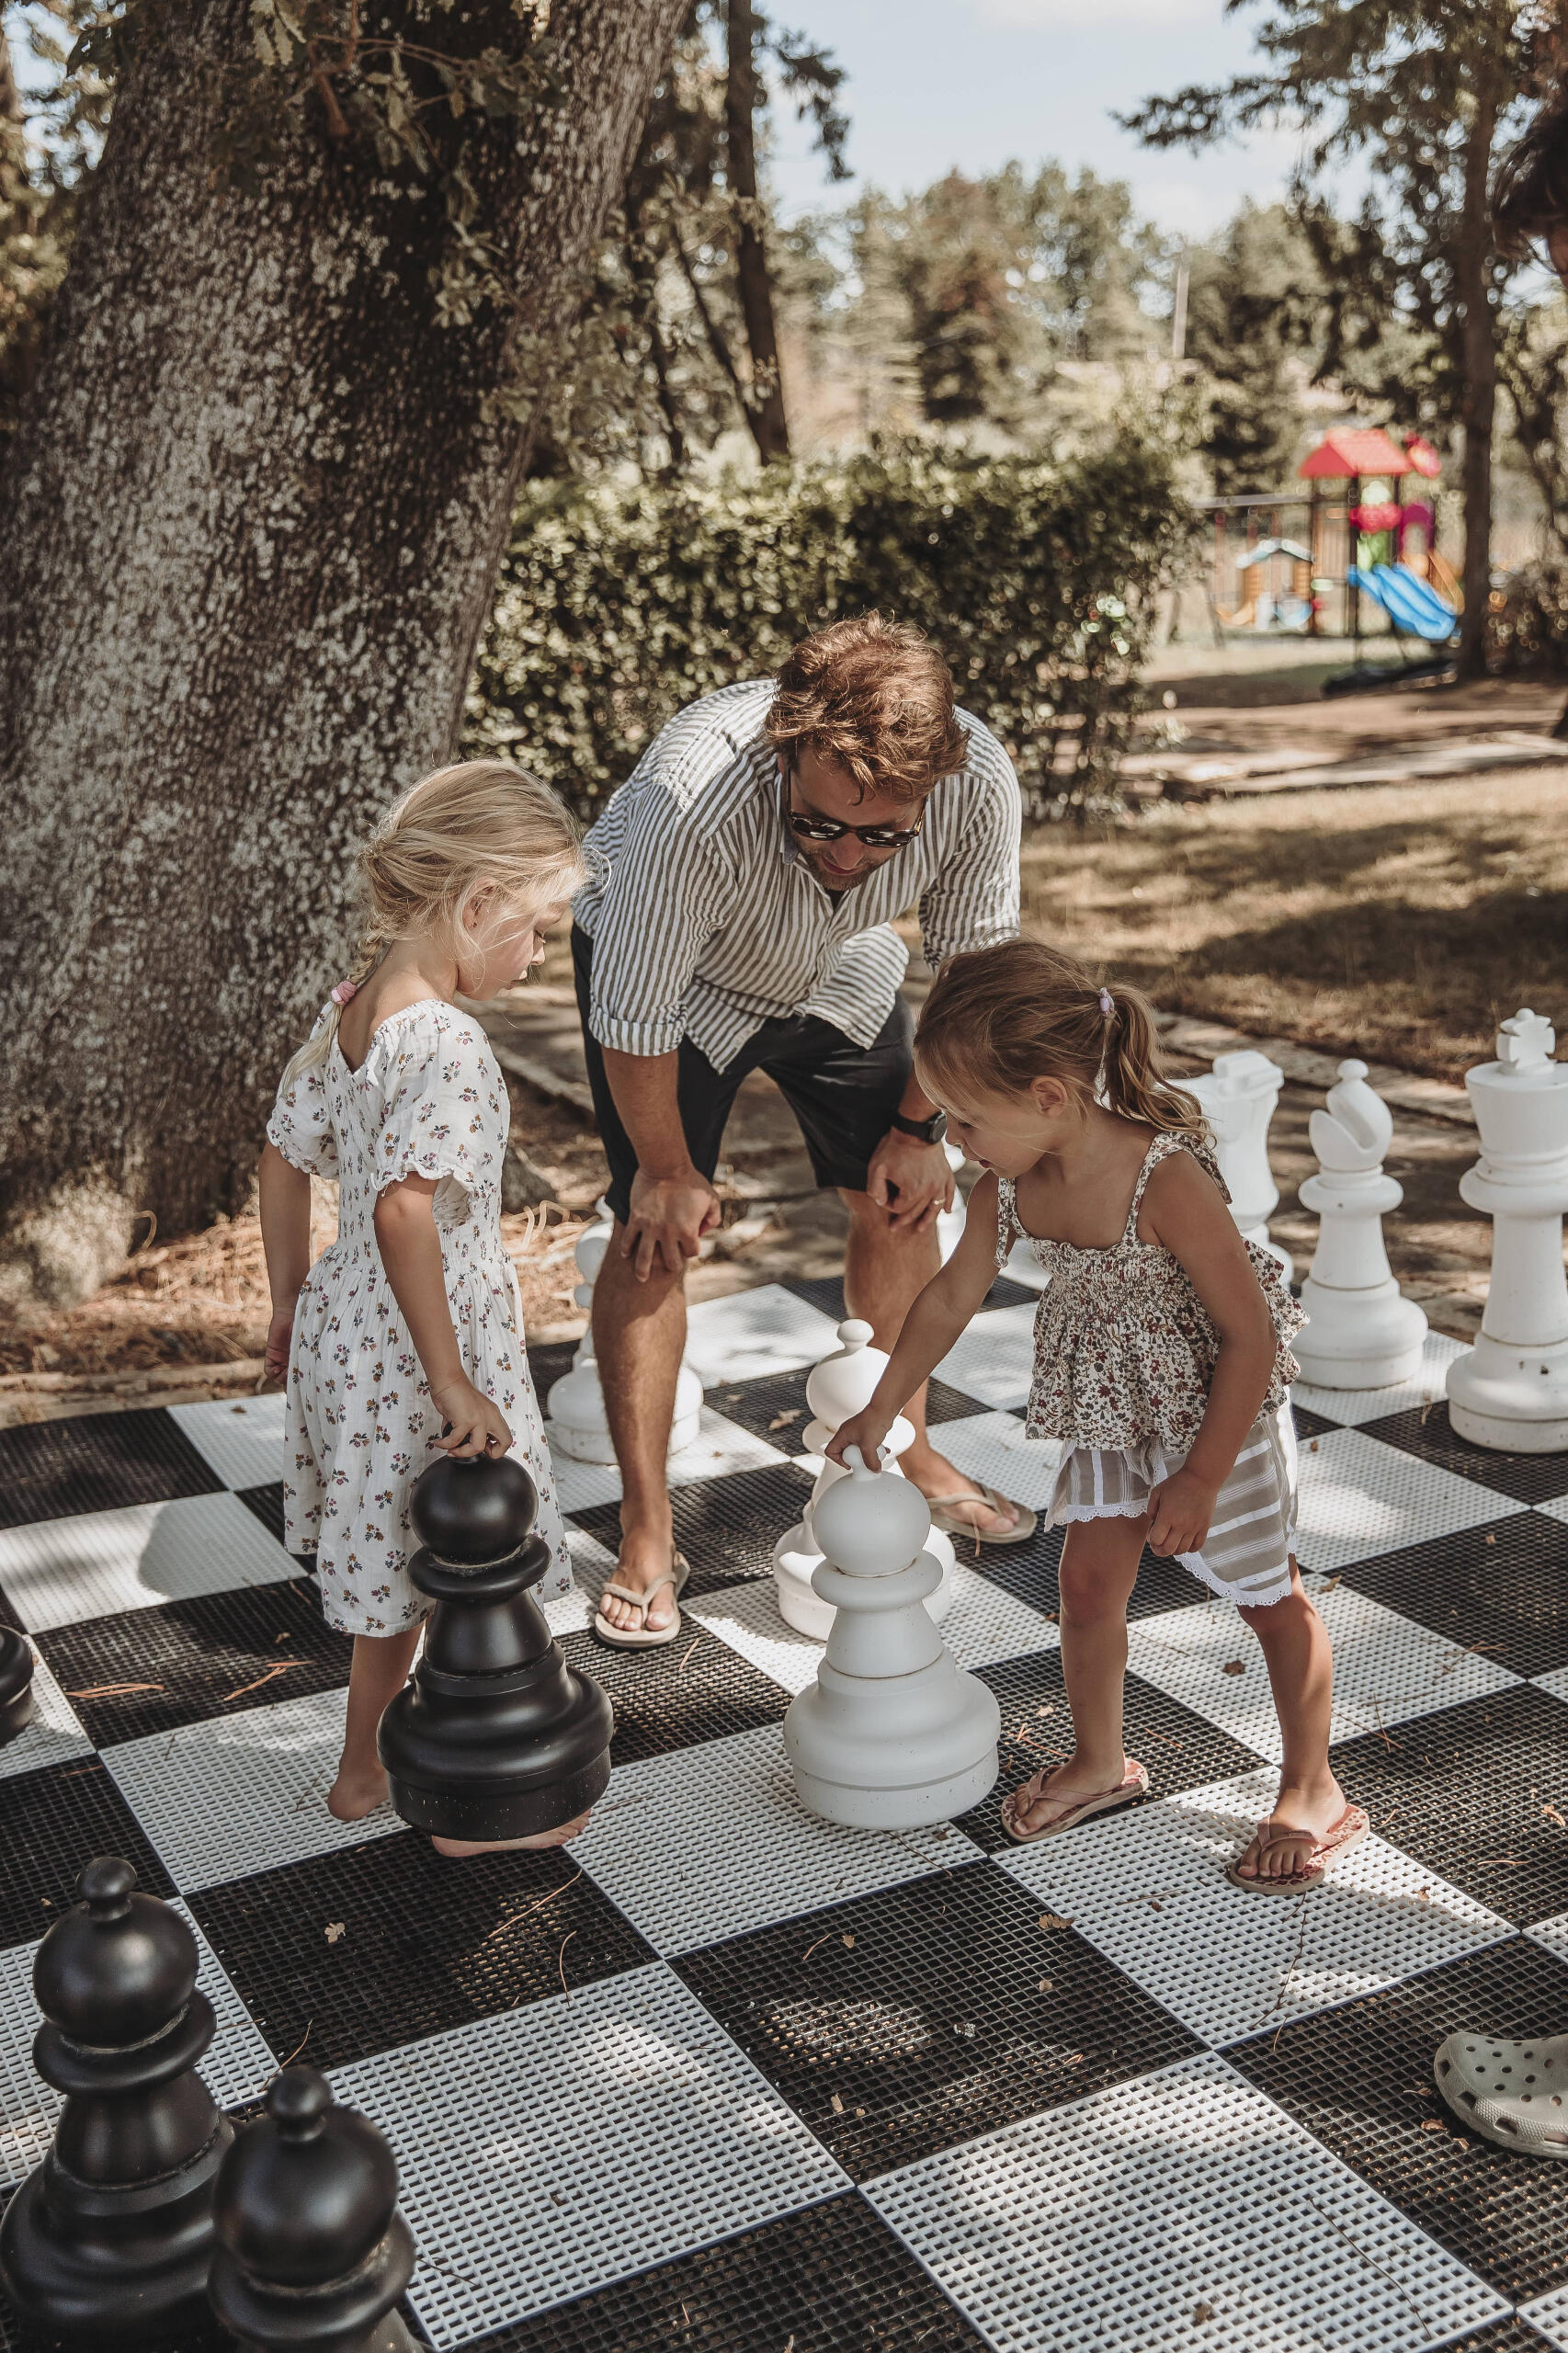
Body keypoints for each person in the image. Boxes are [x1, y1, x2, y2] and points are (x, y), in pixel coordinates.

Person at [829, 938, 1364, 1890]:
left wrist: (1199, 1477)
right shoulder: (1009, 1181)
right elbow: (949, 1296)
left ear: (1046, 1096)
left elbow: (1247, 1335)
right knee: (1083, 1587)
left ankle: (1312, 1789)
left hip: (1219, 1419)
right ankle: (1099, 1760)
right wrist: (881, 1406)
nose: (955, 1141)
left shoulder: (1163, 1178)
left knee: (1268, 1599)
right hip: (1112, 1416)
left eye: (967, 1119)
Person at [572, 614, 1034, 1652]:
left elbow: (973, 982)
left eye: (883, 837)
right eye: (818, 825)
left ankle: (908, 1449)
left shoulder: (976, 780)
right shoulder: (690, 799)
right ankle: (646, 1530)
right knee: (652, 1230)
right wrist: (665, 1169)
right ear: (787, 750)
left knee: (903, 1193)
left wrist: (920, 1127)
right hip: (676, 987)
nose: (846, 854)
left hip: (841, 967)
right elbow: (633, 1012)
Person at [259, 759, 586, 1852]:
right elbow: (405, 1211)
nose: (533, 958)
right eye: (533, 930)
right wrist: (452, 1378)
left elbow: (279, 1159)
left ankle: (380, 1767)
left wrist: (289, 1303)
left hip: (347, 1319)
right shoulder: (445, 1040)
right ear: (477, 901)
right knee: (457, 1554)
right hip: (419, 1338)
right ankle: (453, 1780)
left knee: (403, 1552)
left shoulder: (353, 1012)